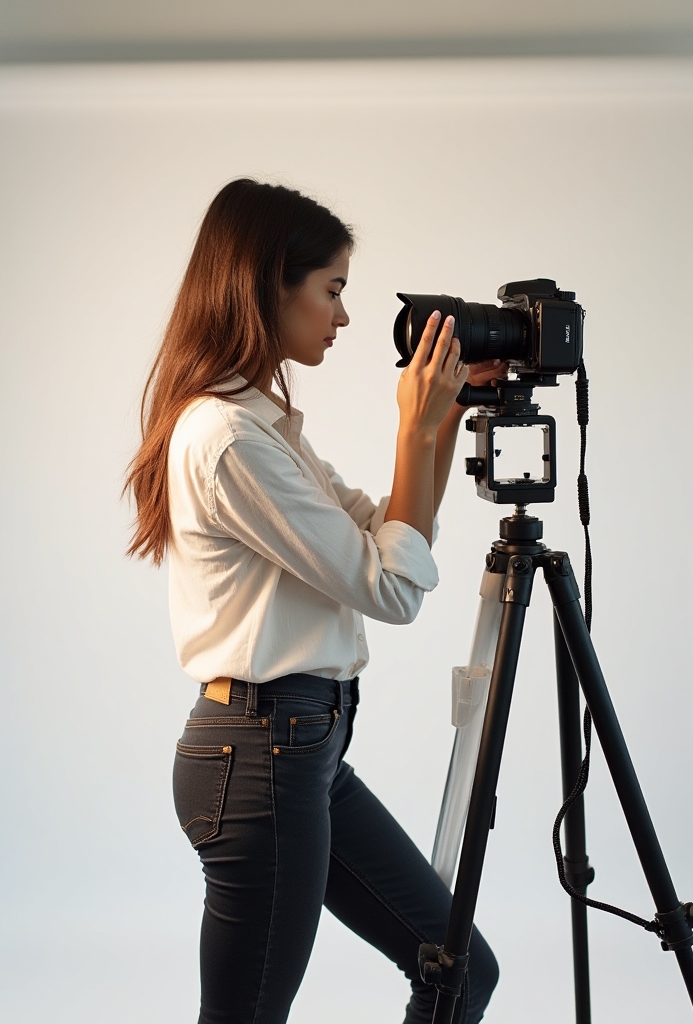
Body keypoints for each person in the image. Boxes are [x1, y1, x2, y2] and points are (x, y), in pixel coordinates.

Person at [127, 178, 501, 1024]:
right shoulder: (226, 441)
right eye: (331, 291)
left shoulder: (262, 428)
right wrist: (412, 428)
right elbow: (391, 588)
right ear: (269, 284)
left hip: (305, 752)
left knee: (460, 969)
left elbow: (387, 529)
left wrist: (438, 424)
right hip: (261, 754)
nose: (342, 317)